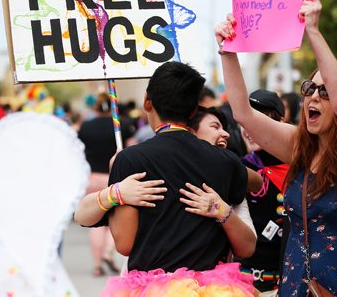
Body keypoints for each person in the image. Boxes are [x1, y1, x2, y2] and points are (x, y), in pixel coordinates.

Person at [214, 0, 337, 296]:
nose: (315, 96)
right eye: (310, 88)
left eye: (326, 92)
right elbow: (242, 112)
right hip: (298, 285)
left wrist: (312, 30)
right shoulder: (301, 148)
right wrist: (228, 50)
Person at [76, 61, 256, 296]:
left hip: (154, 289)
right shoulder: (225, 161)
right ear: (193, 111)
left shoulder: (131, 161)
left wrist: (116, 191)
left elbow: (125, 244)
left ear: (147, 102)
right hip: (216, 288)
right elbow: (257, 183)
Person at [237, 89, 291, 295]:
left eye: (259, 120)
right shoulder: (238, 167)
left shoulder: (301, 168)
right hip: (245, 283)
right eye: (245, 122)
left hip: (289, 283)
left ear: (281, 123)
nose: (250, 129)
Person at [77, 93, 136, 276]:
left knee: (97, 222)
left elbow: (78, 151)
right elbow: (132, 150)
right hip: (116, 175)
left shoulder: (86, 127)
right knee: (114, 218)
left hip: (92, 177)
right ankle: (109, 252)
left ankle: (96, 264)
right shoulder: (123, 126)